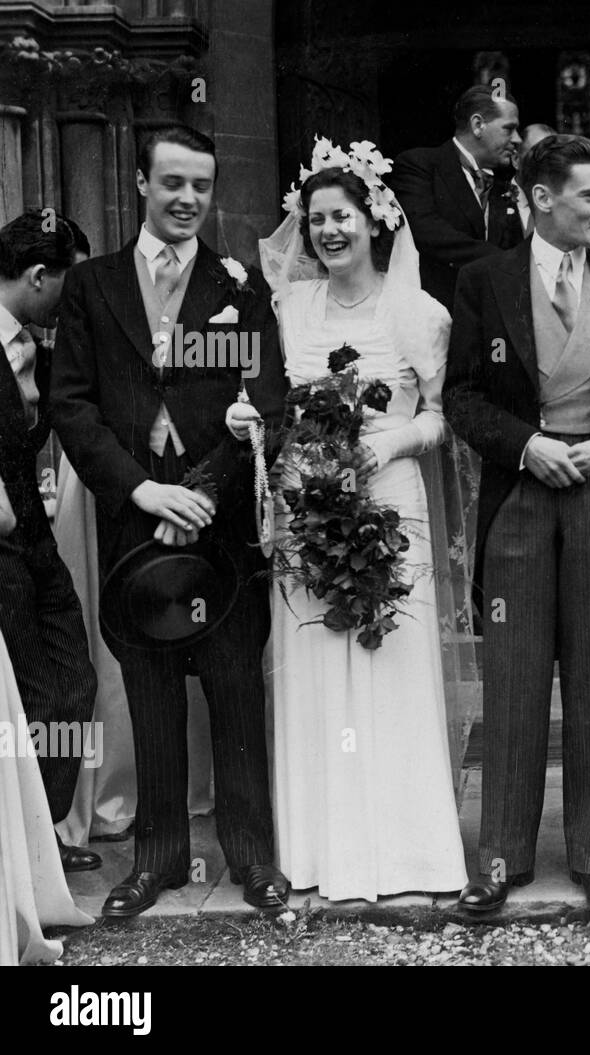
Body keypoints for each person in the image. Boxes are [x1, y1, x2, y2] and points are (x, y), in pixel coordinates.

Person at [50, 124, 289, 917]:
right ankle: (155, 859)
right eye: (173, 183)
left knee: (232, 689)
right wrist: (142, 493)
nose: (188, 199)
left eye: (202, 186)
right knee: (148, 688)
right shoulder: (92, 285)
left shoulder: (240, 285)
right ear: (143, 183)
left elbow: (266, 397)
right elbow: (73, 405)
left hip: (217, 519)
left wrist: (205, 489)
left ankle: (254, 858)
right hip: (133, 517)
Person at [244, 143, 469, 901]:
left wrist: (382, 445)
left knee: (388, 658)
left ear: (375, 219)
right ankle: (321, 851)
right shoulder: (290, 306)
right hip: (309, 496)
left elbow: (440, 418)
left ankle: (408, 852)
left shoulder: (418, 311)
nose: (328, 231)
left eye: (341, 216)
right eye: (315, 221)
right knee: (314, 664)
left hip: (390, 494)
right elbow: (278, 402)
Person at [445, 134, 590, 913]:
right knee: (515, 675)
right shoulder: (484, 281)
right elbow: (462, 397)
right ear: (542, 198)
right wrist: (528, 446)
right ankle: (501, 855)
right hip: (521, 498)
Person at [0, 210, 100, 874]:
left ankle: (44, 826)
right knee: (36, 693)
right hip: (2, 549)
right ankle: (32, 852)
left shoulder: (38, 347)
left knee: (75, 684)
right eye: (70, 281)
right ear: (40, 276)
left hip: (35, 541)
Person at [0, 625, 93, 964]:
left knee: (79, 685)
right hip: (10, 573)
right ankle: (37, 844)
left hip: (50, 570)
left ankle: (44, 834)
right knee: (41, 701)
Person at [389, 85, 524, 310]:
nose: (518, 139)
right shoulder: (419, 165)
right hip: (436, 315)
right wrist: (507, 262)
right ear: (478, 125)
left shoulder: (504, 185)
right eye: (509, 129)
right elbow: (426, 231)